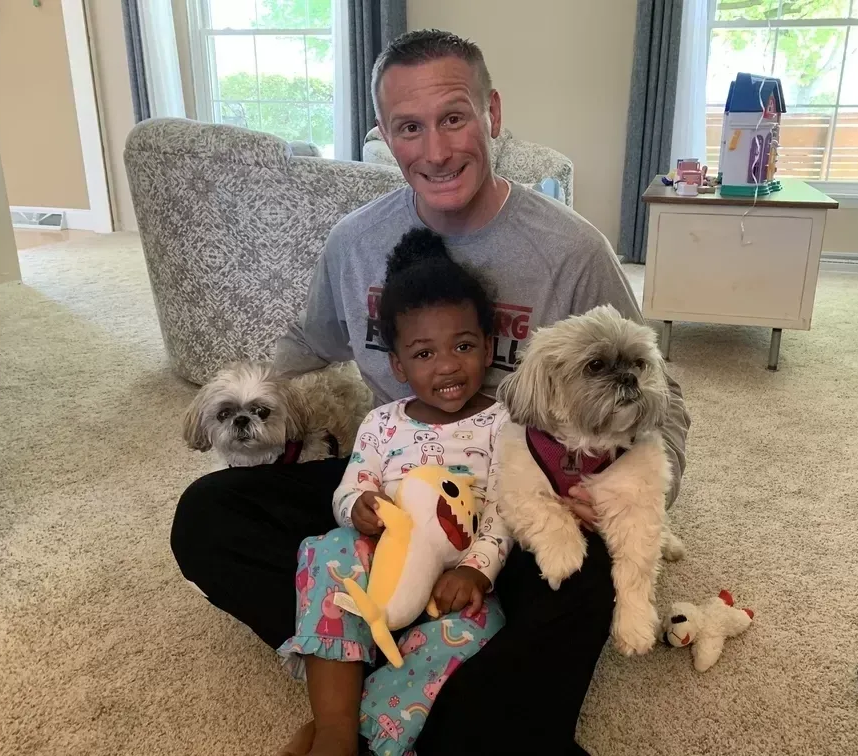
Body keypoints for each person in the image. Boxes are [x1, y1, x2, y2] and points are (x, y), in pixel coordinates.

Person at [170, 28, 691, 756]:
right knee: (206, 517)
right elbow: (306, 345)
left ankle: (395, 691)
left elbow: (663, 397)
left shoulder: (572, 253)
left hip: (522, 498)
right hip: (393, 486)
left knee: (590, 578)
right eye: (410, 128)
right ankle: (376, 673)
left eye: (454, 118)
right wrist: (238, 404)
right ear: (385, 136)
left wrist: (629, 496)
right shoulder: (354, 242)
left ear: (493, 114)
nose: (437, 151)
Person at [277, 227, 511, 756]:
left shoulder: (503, 423)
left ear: (489, 347)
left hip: (450, 577)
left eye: (464, 346)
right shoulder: (383, 423)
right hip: (379, 562)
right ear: (399, 366)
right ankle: (334, 730)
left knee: (482, 626)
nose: (448, 364)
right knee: (326, 549)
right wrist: (356, 509)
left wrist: (476, 569)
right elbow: (351, 487)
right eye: (425, 354)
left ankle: (363, 729)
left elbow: (505, 510)